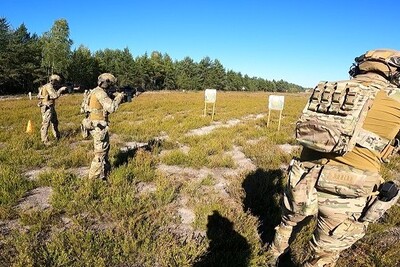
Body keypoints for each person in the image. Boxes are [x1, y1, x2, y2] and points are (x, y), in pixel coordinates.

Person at [266, 49, 400, 267]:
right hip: (349, 187)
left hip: (303, 175)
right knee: (324, 253)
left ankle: (270, 259)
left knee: (287, 224)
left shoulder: (330, 88)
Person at [80, 73, 125, 180]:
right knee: (100, 154)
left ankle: (105, 172)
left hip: (92, 123)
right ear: (107, 83)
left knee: (104, 149)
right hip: (98, 126)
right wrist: (119, 97)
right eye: (111, 85)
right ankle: (93, 180)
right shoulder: (101, 94)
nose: (112, 87)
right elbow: (111, 108)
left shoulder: (94, 91)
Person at [37, 74, 67, 145]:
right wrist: (61, 89)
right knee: (46, 123)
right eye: (56, 82)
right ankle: (45, 140)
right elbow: (55, 96)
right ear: (53, 80)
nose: (57, 83)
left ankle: (57, 136)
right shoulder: (49, 86)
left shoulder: (45, 86)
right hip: (47, 107)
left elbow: (39, 95)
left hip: (50, 106)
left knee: (55, 122)